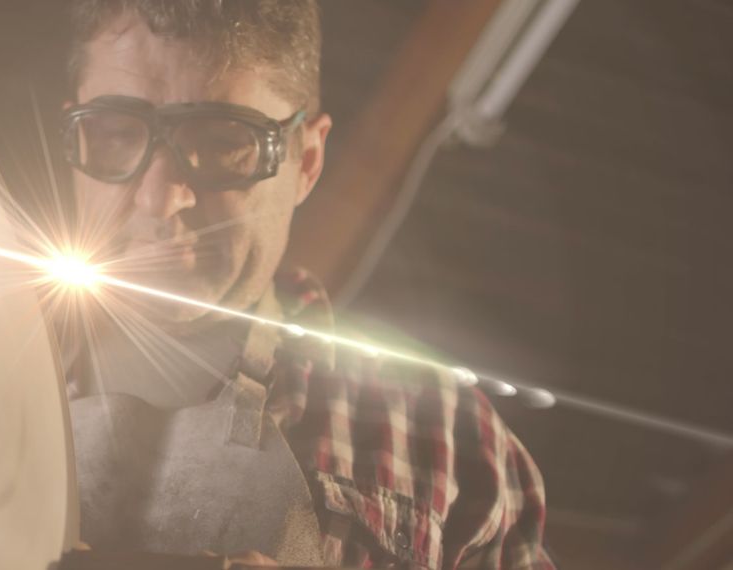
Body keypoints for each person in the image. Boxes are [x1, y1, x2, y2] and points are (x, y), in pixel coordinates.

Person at [58, 1, 555, 568]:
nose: (161, 199)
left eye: (224, 143)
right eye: (117, 134)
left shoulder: (450, 440)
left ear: (308, 160)